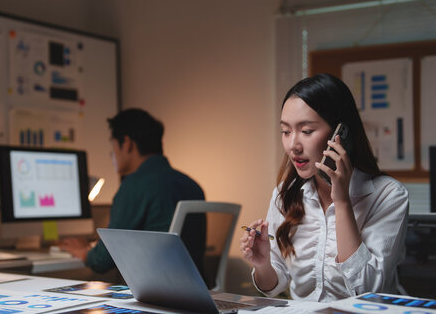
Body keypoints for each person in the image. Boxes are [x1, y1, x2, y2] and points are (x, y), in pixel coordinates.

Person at [240, 73, 409, 302]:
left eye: (307, 131)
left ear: (341, 134)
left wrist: (341, 202)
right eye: (286, 131)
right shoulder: (285, 194)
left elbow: (368, 290)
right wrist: (262, 265)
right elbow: (273, 285)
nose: (293, 146)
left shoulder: (389, 195)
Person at [60, 108, 205, 275]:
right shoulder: (191, 185)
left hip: (157, 294)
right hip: (197, 292)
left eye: (112, 144)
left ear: (127, 143)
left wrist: (84, 253)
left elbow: (103, 260)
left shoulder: (135, 185)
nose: (111, 153)